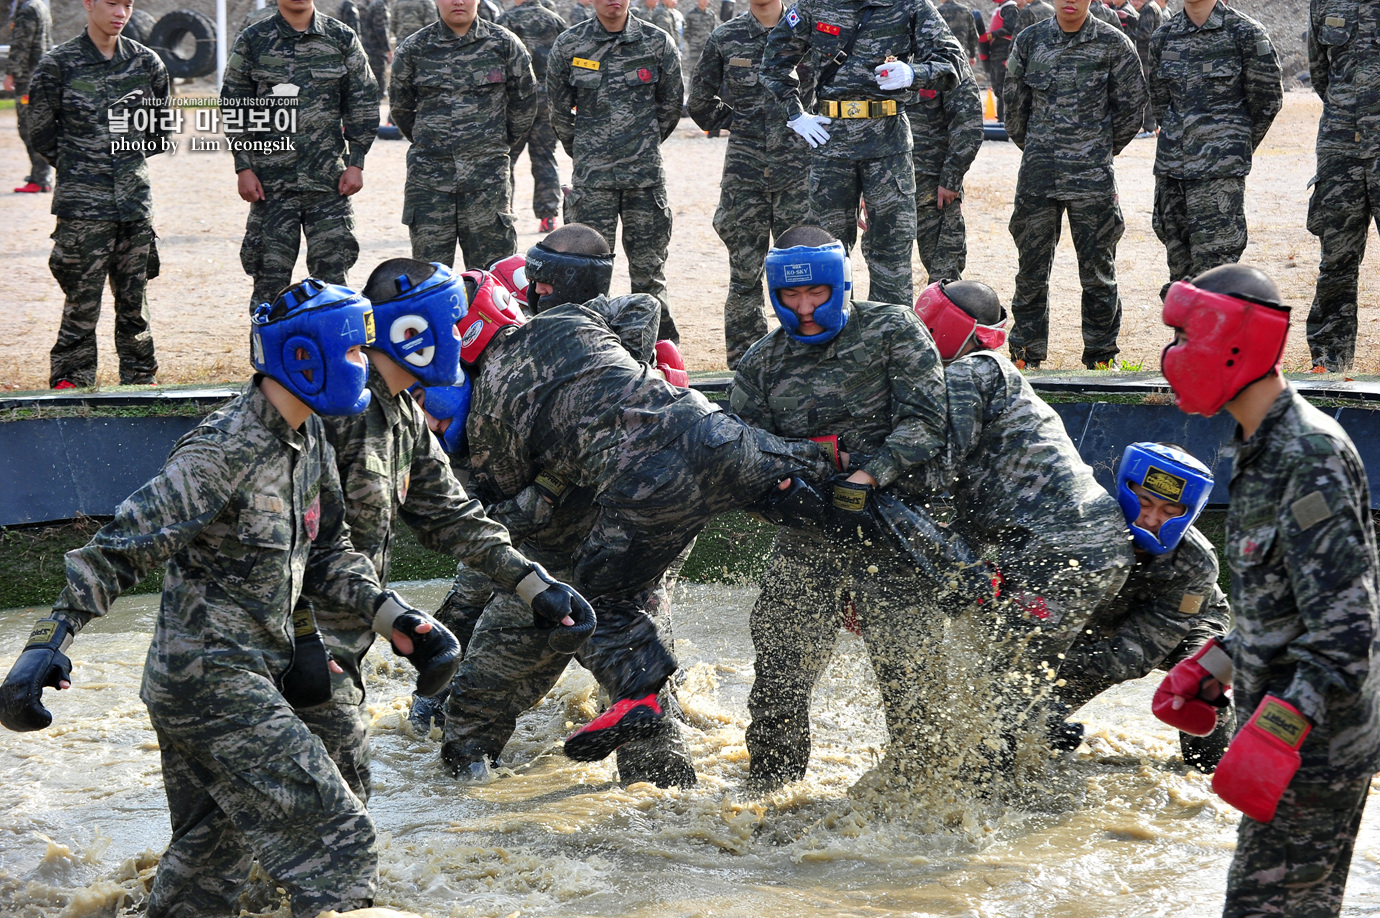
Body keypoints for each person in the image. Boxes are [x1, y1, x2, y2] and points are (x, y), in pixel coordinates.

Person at [0, 280, 463, 917]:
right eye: (355, 353)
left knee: (205, 872)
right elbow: (121, 545)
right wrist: (45, 646)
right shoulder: (224, 450)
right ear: (307, 357)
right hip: (207, 681)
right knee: (341, 842)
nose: (364, 366)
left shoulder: (310, 442)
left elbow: (326, 554)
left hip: (247, 675)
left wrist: (396, 618)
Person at [443, 223, 838, 779]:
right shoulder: (578, 328)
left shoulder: (487, 410)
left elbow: (498, 526)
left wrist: (555, 475)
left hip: (595, 547)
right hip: (679, 474)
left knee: (595, 686)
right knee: (834, 488)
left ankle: (647, 791)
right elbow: (640, 307)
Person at [297, 259, 593, 801]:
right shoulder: (331, 416)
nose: (460, 341)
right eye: (451, 327)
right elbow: (298, 549)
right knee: (338, 826)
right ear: (412, 332)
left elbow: (455, 519)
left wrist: (534, 586)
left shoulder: (405, 417)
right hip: (287, 652)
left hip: (341, 649)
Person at [1155, 263, 1380, 918]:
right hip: (1294, 740)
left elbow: (1348, 629)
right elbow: (1288, 596)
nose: (1172, 357)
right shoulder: (1259, 447)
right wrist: (1219, 661)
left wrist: (1279, 726)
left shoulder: (1307, 454)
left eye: (1184, 338)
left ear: (1233, 341)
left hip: (1316, 747)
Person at [729, 226, 952, 791]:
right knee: (779, 678)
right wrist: (801, 480)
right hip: (807, 540)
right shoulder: (761, 362)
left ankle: (923, 805)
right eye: (790, 298)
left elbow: (927, 421)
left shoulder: (892, 330)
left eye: (817, 296)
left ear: (841, 285)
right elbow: (746, 456)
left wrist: (866, 475)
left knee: (913, 681)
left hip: (893, 534)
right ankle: (768, 799)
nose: (804, 310)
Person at [912, 277, 1134, 781]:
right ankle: (1035, 757)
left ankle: (983, 814)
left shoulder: (972, 372)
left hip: (1060, 555)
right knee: (1013, 679)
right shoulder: (996, 376)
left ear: (945, 330)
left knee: (999, 694)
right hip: (1074, 550)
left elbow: (933, 478)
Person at [760, 0, 969, 307]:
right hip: (830, 145)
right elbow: (774, 62)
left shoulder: (909, 5)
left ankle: (892, 341)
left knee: (892, 254)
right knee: (827, 254)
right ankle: (835, 343)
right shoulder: (814, 5)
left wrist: (913, 73)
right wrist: (795, 115)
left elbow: (952, 63)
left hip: (889, 145)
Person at [1054, 442, 1233, 773]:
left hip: (1185, 626)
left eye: (1169, 511)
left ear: (1188, 513)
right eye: (1144, 502)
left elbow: (1130, 656)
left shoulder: (1197, 562)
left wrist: (1054, 675)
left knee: (1202, 687)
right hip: (1099, 618)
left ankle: (1208, 776)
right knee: (1029, 717)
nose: (1150, 518)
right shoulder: (1079, 526)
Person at [28, 0, 167, 389]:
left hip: (134, 203)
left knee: (134, 301)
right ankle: (72, 376)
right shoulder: (59, 64)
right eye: (111, 2)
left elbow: (158, 132)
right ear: (88, 4)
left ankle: (140, 374)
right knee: (81, 297)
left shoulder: (147, 63)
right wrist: (80, 165)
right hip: (81, 206)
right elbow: (39, 129)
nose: (120, 11)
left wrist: (123, 164)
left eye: (128, 3)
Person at [1003, 0, 1146, 368]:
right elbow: (1014, 106)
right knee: (1031, 271)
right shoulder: (1030, 40)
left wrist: (1097, 149)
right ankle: (1025, 357)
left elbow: (1132, 109)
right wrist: (1037, 147)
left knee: (1098, 274)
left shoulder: (1114, 44)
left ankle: (1101, 359)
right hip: (1038, 177)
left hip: (1092, 179)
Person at [222, 0, 379, 310]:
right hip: (271, 187)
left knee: (333, 285)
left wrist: (356, 162)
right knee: (269, 284)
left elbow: (363, 100)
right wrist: (244, 167)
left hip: (328, 186)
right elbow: (235, 105)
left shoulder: (340, 37)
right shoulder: (254, 39)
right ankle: (266, 355)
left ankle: (333, 357)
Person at [548, 0, 684, 343]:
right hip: (593, 182)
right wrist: (586, 152)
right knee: (584, 275)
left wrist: (642, 146)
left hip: (645, 180)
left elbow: (670, 105)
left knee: (649, 274)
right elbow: (560, 111)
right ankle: (584, 349)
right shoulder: (569, 44)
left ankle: (658, 353)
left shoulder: (656, 42)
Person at [687, 0, 811, 368]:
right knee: (744, 275)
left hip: (800, 173)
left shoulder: (808, 34)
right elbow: (698, 100)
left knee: (805, 272)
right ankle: (746, 366)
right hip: (745, 176)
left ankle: (807, 361)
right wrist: (740, 123)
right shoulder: (726, 37)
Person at [1147, 0, 1281, 299]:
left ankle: (1219, 345)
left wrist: (1228, 149)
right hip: (1172, 175)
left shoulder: (1244, 33)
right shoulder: (1164, 36)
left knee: (1217, 279)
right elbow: (1160, 103)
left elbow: (1267, 100)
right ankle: (1187, 345)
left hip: (1218, 180)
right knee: (1180, 279)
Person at [390, 0, 536, 270]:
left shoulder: (504, 44)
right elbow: (401, 107)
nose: (458, 1)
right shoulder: (414, 48)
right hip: (429, 182)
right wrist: (432, 143)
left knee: (492, 276)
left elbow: (524, 103)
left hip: (486, 181)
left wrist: (492, 144)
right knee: (428, 279)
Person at [1303, 0, 1379, 373]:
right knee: (1337, 258)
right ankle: (1329, 359)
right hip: (1340, 147)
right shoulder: (1325, 3)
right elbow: (1321, 75)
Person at [863, 67, 981, 284]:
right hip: (883, 187)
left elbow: (968, 126)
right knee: (885, 278)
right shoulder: (878, 52)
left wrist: (951, 180)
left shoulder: (946, 59)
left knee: (945, 277)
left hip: (933, 191)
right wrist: (863, 187)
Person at [499, 0, 568, 234]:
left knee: (505, 159)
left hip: (516, 99)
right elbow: (566, 59)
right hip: (548, 98)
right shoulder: (555, 19)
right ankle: (548, 215)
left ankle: (503, 210)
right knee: (545, 158)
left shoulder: (506, 20)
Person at [6, 0, 52, 194]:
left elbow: (21, 45)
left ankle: (40, 179)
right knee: (37, 125)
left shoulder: (27, 9)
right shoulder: (40, 6)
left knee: (29, 128)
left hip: (28, 79)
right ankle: (40, 174)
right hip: (40, 74)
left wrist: (11, 73)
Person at [1126, 0, 1160, 135]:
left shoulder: (1148, 8)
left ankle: (1150, 126)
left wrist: (1126, 37)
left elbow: (1145, 33)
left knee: (1147, 90)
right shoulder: (1152, 7)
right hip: (1150, 56)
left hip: (1147, 56)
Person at [984, 0, 1019, 120]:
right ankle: (1001, 117)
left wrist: (992, 34)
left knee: (1004, 86)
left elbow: (1010, 27)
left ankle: (1006, 118)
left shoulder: (1010, 8)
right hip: (995, 52)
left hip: (1004, 51)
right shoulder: (1001, 8)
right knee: (997, 87)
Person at [361, 0, 392, 99]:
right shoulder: (379, 4)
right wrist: (388, 50)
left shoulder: (376, 3)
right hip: (375, 51)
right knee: (377, 88)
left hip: (371, 49)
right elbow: (381, 28)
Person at [681, 0, 719, 73]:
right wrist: (691, 41)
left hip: (707, 46)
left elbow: (714, 29)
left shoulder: (711, 14)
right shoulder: (690, 14)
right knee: (694, 69)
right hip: (695, 46)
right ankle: (691, 84)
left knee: (707, 69)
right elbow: (685, 29)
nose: (705, 1)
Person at [938, 0, 980, 64]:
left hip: (943, 57)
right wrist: (972, 55)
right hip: (961, 55)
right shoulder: (965, 11)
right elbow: (973, 35)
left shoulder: (938, 12)